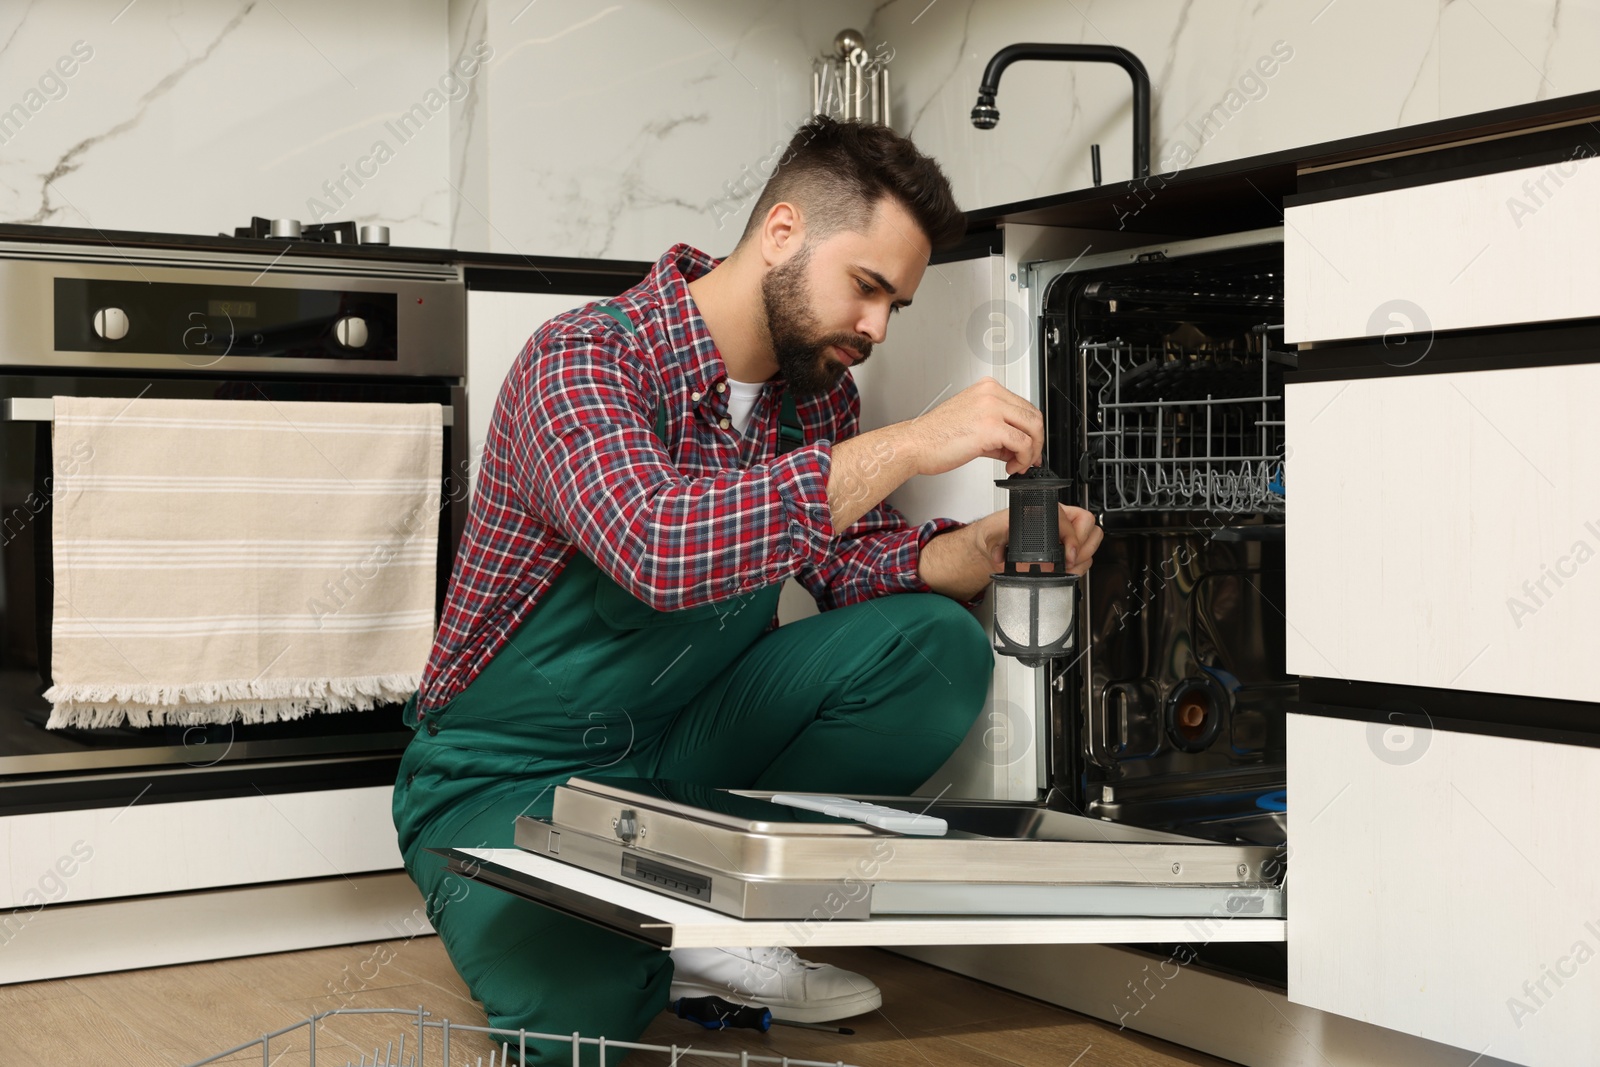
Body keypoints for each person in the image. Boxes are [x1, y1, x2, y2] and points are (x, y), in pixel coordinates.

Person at [392, 116, 1103, 1064]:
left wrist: (976, 549)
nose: (876, 329)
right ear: (782, 234)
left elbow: (850, 568)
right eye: (867, 288)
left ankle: (710, 912)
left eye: (897, 306)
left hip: (683, 743)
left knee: (934, 645)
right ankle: (669, 934)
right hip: (506, 775)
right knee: (583, 1023)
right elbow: (657, 546)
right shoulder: (583, 359)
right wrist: (910, 442)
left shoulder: (816, 399)